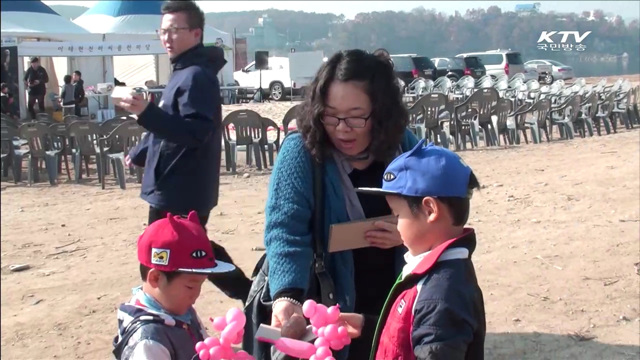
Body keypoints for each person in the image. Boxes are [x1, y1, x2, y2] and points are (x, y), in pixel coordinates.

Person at [263, 49, 419, 360]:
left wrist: (407, 234)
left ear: (382, 112)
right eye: (331, 115)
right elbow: (285, 231)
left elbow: (442, 212)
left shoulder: (404, 147)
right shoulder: (302, 152)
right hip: (328, 304)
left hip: (393, 301)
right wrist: (287, 297)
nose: (342, 128)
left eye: (356, 116)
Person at [119, 0, 251, 303]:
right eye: (163, 31)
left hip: (182, 187)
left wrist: (146, 113)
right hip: (172, 184)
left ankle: (246, 293)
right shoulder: (183, 72)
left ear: (196, 33)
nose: (167, 38)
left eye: (174, 31)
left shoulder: (196, 76)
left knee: (171, 252)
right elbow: (169, 125)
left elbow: (195, 131)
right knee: (190, 249)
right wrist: (140, 151)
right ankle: (248, 293)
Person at [338, 141, 486, 360]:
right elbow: (411, 336)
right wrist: (369, 327)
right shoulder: (436, 271)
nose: (395, 225)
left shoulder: (442, 295)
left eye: (397, 215)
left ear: (429, 209)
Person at [112, 211, 236, 360]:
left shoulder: (181, 311)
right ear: (156, 278)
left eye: (200, 285)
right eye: (190, 286)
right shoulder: (149, 342)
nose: (196, 295)